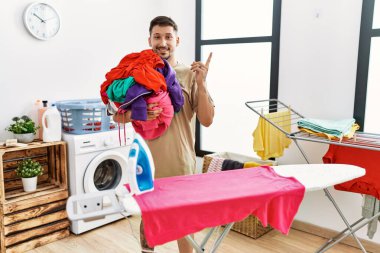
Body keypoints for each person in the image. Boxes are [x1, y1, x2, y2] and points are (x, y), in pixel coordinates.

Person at [113, 16, 214, 253]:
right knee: (148, 225)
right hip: (146, 166)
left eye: (168, 36)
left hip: (181, 165)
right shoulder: (138, 74)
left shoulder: (190, 74)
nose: (163, 42)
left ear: (177, 40)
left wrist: (202, 83)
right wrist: (139, 114)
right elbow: (117, 116)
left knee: (184, 226)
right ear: (149, 40)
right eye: (157, 37)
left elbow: (207, 120)